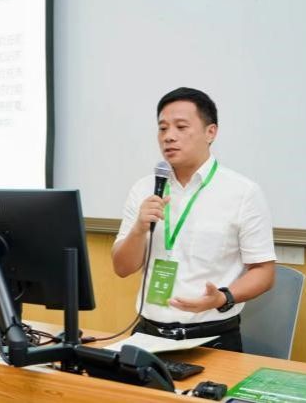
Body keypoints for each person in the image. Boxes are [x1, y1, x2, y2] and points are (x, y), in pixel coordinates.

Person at [111, 87, 276, 352]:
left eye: (181, 127)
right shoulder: (144, 189)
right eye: (162, 128)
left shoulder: (243, 192)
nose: (169, 136)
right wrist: (139, 229)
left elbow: (264, 272)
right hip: (147, 335)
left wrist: (223, 297)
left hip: (213, 339)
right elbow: (122, 268)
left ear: (210, 132)